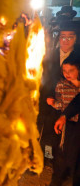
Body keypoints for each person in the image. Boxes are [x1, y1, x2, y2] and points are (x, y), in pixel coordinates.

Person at [47, 55, 80, 186]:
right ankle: (57, 178)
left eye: (71, 70)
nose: (67, 74)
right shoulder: (61, 85)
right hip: (68, 123)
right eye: (64, 71)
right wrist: (54, 103)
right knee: (61, 152)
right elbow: (61, 104)